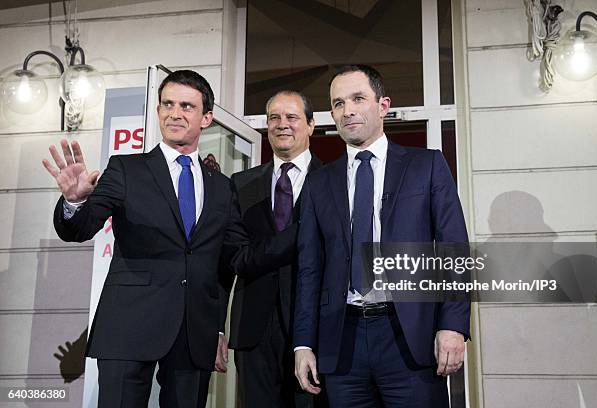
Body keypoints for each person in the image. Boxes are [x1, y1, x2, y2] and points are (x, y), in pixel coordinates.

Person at [43, 70, 243, 407]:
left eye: (186, 106)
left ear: (206, 118)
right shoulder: (125, 168)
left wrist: (219, 328)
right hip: (128, 324)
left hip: (193, 332)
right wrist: (75, 201)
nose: (174, 113)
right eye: (167, 104)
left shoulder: (222, 187)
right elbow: (80, 229)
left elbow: (225, 265)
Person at [293, 65, 470, 408]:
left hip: (409, 338)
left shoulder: (427, 166)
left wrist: (453, 326)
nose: (349, 111)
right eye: (339, 103)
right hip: (342, 344)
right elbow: (308, 269)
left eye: (358, 99)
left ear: (383, 105)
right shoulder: (318, 183)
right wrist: (303, 344)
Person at [229, 90, 324, 408]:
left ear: (311, 125)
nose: (282, 125)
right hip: (254, 332)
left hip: (315, 331)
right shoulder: (240, 184)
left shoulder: (334, 182)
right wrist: (304, 232)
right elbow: (235, 258)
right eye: (274, 118)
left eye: (292, 117)